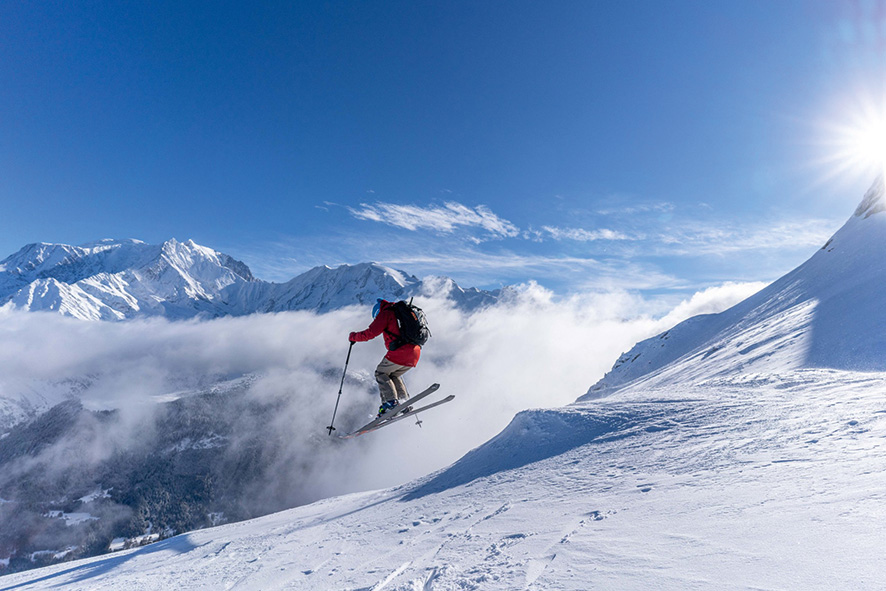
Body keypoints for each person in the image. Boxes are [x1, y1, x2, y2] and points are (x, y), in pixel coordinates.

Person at [349, 298, 422, 417]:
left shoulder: (386, 313)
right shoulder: (399, 312)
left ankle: (391, 403)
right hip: (415, 352)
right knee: (393, 374)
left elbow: (370, 333)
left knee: (380, 373)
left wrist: (353, 337)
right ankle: (403, 402)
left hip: (401, 352)